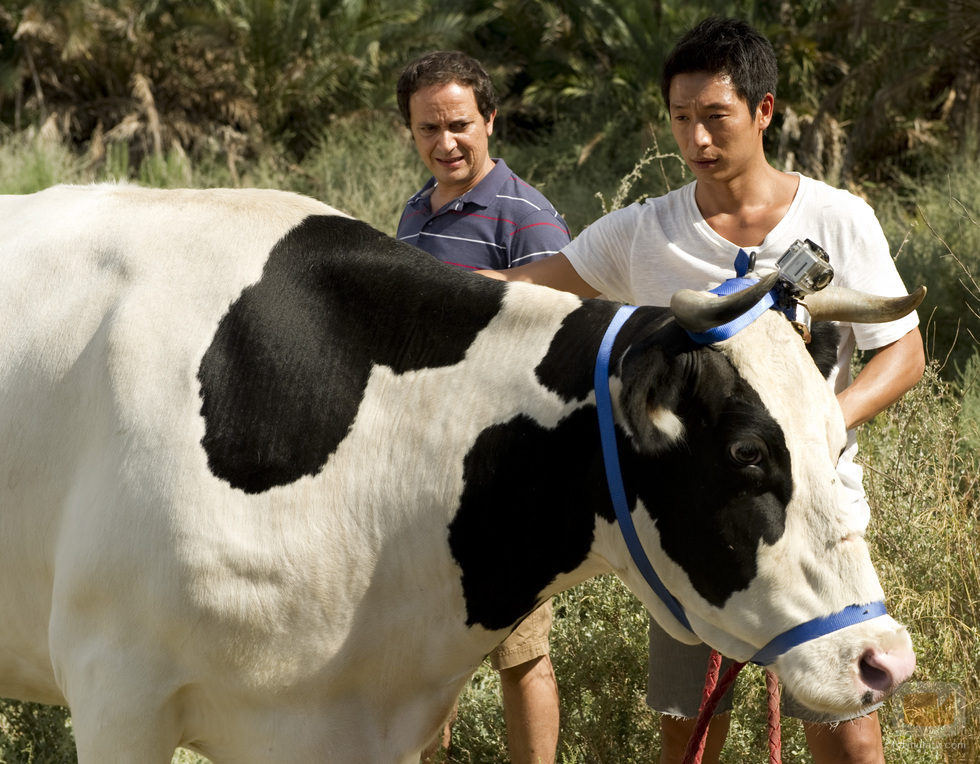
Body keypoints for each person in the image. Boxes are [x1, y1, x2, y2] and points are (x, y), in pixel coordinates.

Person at [477, 17, 925, 764]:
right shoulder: (642, 233)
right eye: (681, 120)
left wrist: (815, 429)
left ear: (764, 110)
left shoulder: (838, 220)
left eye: (715, 117)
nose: (696, 140)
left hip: (815, 519)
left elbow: (901, 354)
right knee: (688, 735)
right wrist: (392, 282)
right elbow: (522, 287)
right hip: (697, 530)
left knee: (850, 733)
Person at [395, 50, 570, 764]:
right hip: (423, 471)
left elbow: (562, 334)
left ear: (490, 119)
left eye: (460, 124)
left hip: (509, 472)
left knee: (520, 651)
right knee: (425, 649)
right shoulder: (414, 212)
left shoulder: (527, 218)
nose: (447, 143)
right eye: (429, 128)